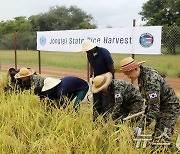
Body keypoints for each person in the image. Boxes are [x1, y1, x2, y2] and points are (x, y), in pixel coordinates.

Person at [120, 57, 180, 139]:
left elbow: (154, 108)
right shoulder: (143, 75)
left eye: (128, 73)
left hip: (169, 108)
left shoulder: (150, 81)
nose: (128, 76)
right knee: (157, 136)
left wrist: (141, 126)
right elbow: (150, 103)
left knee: (162, 139)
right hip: (161, 107)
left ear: (136, 69)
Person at [77, 39, 115, 119]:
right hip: (97, 81)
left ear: (92, 47)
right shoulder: (89, 54)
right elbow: (91, 64)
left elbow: (111, 66)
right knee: (96, 102)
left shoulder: (104, 53)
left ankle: (105, 121)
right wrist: (91, 74)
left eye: (87, 50)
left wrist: (111, 79)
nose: (86, 52)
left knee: (105, 102)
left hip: (106, 80)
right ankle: (96, 120)